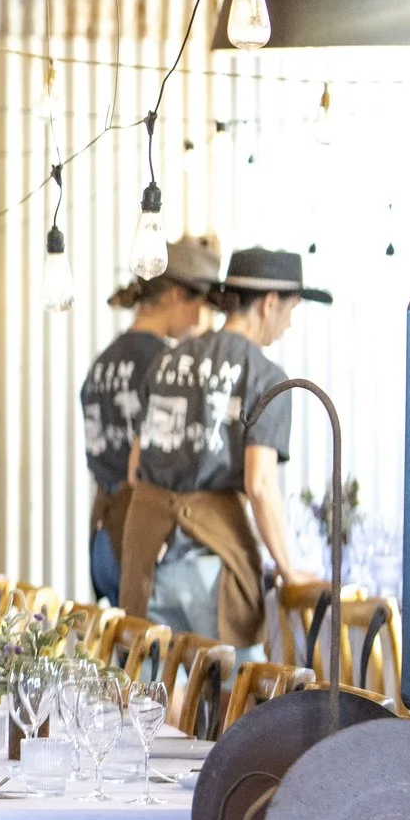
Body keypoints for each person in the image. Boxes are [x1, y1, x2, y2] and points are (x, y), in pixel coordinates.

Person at [120, 247, 324, 654]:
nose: (288, 324)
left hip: (146, 558)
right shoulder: (266, 378)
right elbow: (260, 485)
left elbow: (134, 469)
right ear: (269, 304)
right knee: (235, 697)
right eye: (290, 310)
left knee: (149, 699)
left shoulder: (165, 361)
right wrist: (288, 569)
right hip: (214, 563)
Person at [79, 235, 219, 604]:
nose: (200, 318)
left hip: (102, 540)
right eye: (199, 305)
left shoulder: (102, 363)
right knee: (167, 659)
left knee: (124, 656)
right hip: (144, 543)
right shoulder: (167, 366)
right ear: (175, 296)